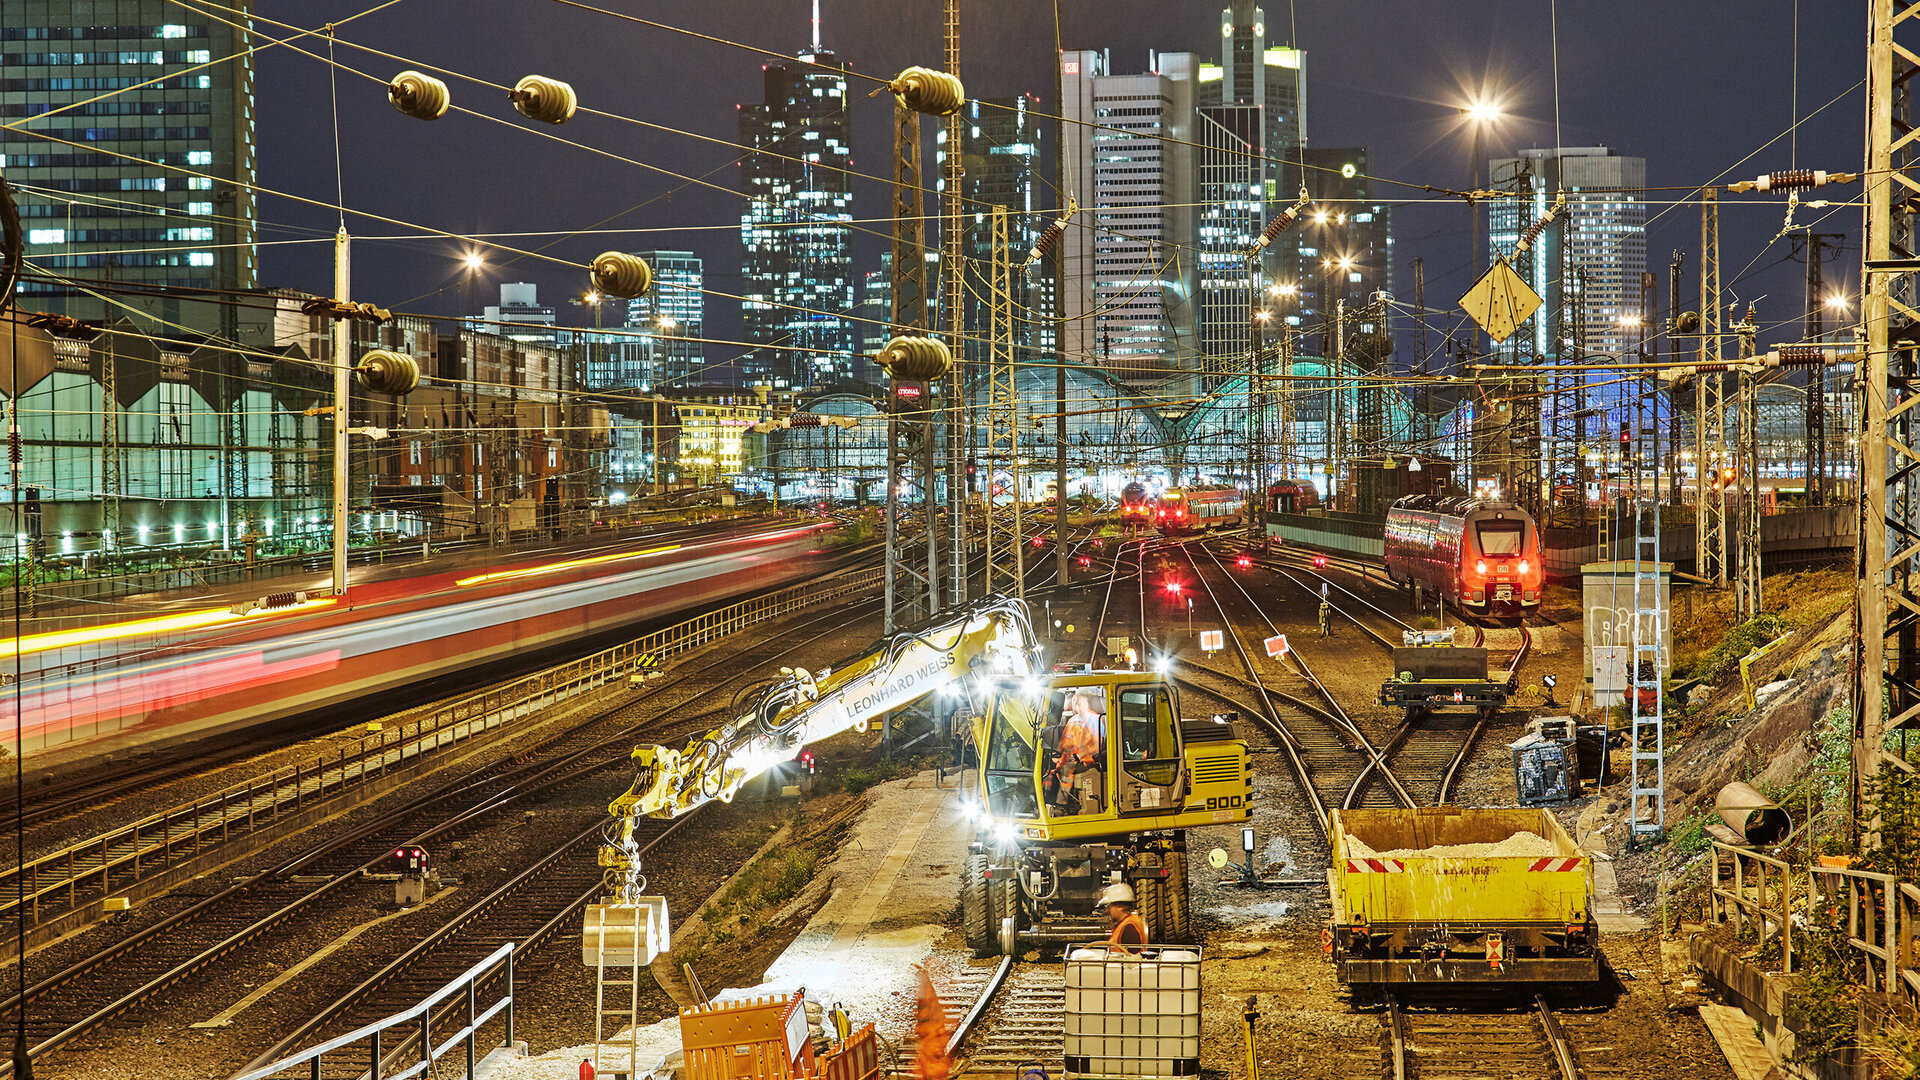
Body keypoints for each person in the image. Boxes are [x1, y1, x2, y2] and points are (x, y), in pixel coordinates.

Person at [1054, 691, 1105, 814]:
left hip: (1081, 763)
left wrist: (1057, 764)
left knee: (1062, 769)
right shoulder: (1100, 719)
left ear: (1078, 704)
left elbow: (1066, 749)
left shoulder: (1075, 721)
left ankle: (1061, 805)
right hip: (1096, 761)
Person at [1098, 882, 1148, 951]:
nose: (1107, 910)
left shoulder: (1129, 928)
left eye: (1110, 907)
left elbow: (1131, 958)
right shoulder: (1125, 923)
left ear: (1120, 906)